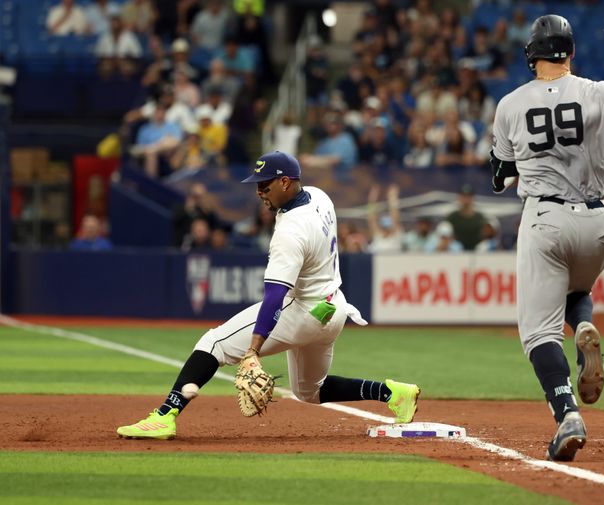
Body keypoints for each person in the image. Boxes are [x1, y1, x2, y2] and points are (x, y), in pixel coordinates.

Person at [117, 151, 420, 440]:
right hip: (332, 309)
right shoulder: (319, 196)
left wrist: (253, 350)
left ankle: (165, 414)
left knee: (213, 343)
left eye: (265, 184)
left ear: (285, 182)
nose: (259, 191)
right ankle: (393, 393)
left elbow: (275, 295)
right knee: (309, 391)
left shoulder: (290, 232)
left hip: (303, 311)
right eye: (257, 185)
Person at [490, 15, 604, 462]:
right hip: (597, 221)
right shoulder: (599, 91)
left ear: (531, 56)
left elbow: (500, 175)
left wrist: (515, 168)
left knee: (538, 334)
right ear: (570, 52)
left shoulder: (510, 104)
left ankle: (567, 412)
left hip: (545, 218)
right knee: (577, 289)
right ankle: (583, 321)